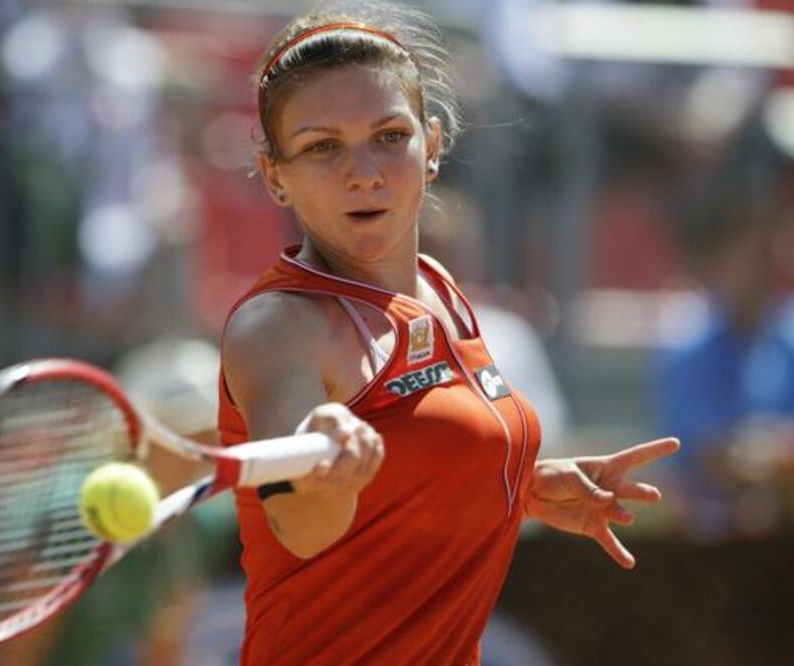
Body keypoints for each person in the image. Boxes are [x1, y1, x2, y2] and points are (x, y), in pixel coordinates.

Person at [217, 3, 679, 664]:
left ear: (431, 147)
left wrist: (519, 486)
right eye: (322, 147)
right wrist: (325, 472)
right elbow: (302, 526)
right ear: (274, 175)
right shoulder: (278, 326)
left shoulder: (439, 290)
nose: (364, 171)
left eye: (388, 135)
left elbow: (410, 471)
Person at [655, 189, 794, 540]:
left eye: (764, 256)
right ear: (717, 261)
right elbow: (709, 454)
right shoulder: (685, 344)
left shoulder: (788, 340)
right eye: (744, 255)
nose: (756, 270)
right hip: (705, 542)